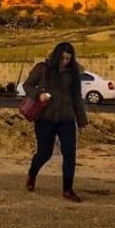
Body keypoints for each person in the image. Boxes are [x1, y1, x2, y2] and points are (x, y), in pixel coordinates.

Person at [23, 42, 88, 202]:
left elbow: (77, 98)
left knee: (70, 155)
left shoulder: (73, 73)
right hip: (45, 118)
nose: (65, 61)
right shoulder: (43, 68)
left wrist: (81, 120)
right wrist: (39, 95)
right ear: (57, 55)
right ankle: (32, 174)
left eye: (68, 58)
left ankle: (68, 189)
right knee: (45, 153)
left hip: (66, 118)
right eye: (63, 58)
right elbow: (27, 85)